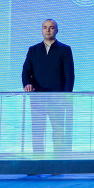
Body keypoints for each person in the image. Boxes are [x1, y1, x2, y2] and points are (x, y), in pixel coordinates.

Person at [22, 19, 75, 153]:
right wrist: (27, 84)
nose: (48, 30)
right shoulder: (33, 50)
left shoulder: (65, 49)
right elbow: (26, 71)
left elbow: (69, 75)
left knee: (58, 131)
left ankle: (57, 161)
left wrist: (66, 97)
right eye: (45, 27)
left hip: (57, 98)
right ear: (41, 30)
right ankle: (38, 160)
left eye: (51, 27)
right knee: (38, 131)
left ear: (57, 30)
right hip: (37, 97)